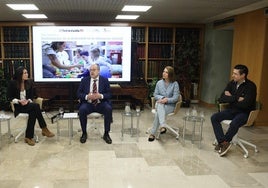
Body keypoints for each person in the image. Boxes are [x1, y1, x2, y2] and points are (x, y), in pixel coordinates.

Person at [211, 64, 257, 156]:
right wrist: (236, 98)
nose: (233, 75)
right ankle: (222, 142)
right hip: (232, 110)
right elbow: (221, 98)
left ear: (243, 75)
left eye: (235, 74)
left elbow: (245, 105)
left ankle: (226, 142)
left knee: (234, 123)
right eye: (233, 73)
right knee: (214, 117)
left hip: (244, 113)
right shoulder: (231, 83)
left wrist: (230, 97)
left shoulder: (251, 86)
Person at [7, 66, 55, 146]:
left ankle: (28, 137)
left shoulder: (29, 82)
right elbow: (9, 97)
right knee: (35, 107)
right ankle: (44, 128)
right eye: (25, 73)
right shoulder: (12, 83)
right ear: (20, 74)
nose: (27, 74)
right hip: (18, 106)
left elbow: (32, 96)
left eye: (27, 73)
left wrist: (27, 100)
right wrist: (19, 101)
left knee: (33, 112)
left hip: (28, 105)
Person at [77, 63, 113, 144]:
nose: (92, 72)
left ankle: (106, 133)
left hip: (101, 103)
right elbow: (78, 93)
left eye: (94, 70)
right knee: (82, 110)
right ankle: (84, 133)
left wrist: (101, 96)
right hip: (88, 104)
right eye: (90, 70)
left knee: (108, 108)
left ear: (99, 71)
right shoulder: (84, 80)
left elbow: (109, 94)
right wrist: (87, 96)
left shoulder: (104, 80)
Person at [148, 66, 180, 142]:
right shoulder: (159, 83)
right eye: (163, 71)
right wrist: (162, 98)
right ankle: (162, 125)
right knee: (160, 105)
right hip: (159, 103)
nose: (164, 73)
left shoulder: (175, 84)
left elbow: (176, 98)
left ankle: (152, 133)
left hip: (170, 106)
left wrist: (167, 100)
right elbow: (155, 95)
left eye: (166, 72)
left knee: (157, 113)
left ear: (170, 74)